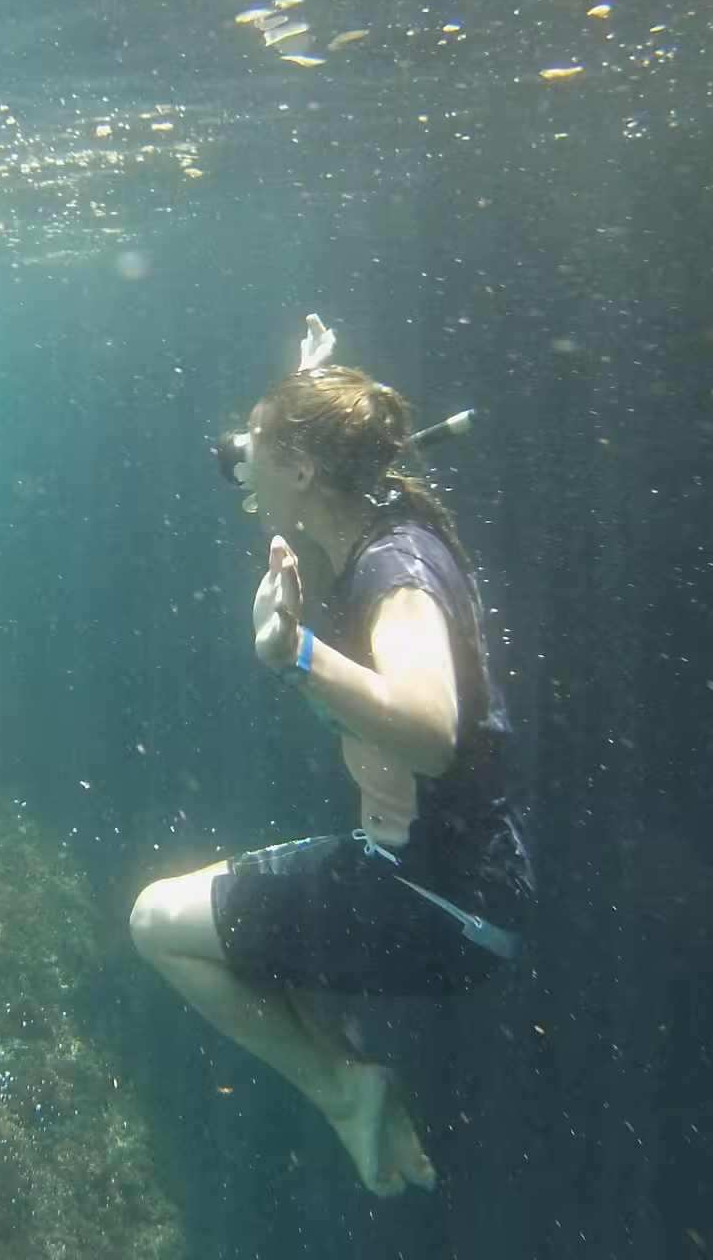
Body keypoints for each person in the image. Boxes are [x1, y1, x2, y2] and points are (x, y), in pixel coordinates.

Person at [130, 315, 535, 1197]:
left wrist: (296, 655)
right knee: (227, 930)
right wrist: (309, 385)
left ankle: (344, 1089)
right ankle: (350, 1084)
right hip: (447, 880)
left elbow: (431, 729)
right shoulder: (374, 508)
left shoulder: (394, 572)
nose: (241, 464)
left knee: (158, 922)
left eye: (260, 448)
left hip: (436, 901)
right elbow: (305, 448)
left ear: (306, 470)